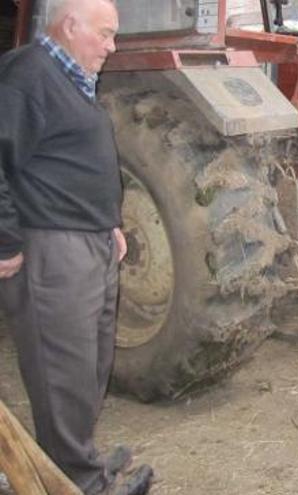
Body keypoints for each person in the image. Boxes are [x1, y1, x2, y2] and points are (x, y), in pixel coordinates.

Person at [0, 0, 152, 494]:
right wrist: (4, 240)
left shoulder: (70, 78)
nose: (112, 47)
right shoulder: (27, 75)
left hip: (91, 241)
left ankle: (79, 456)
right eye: (105, 34)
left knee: (91, 361)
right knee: (61, 370)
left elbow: (67, 159)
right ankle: (80, 482)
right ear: (70, 25)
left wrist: (108, 222)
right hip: (53, 247)